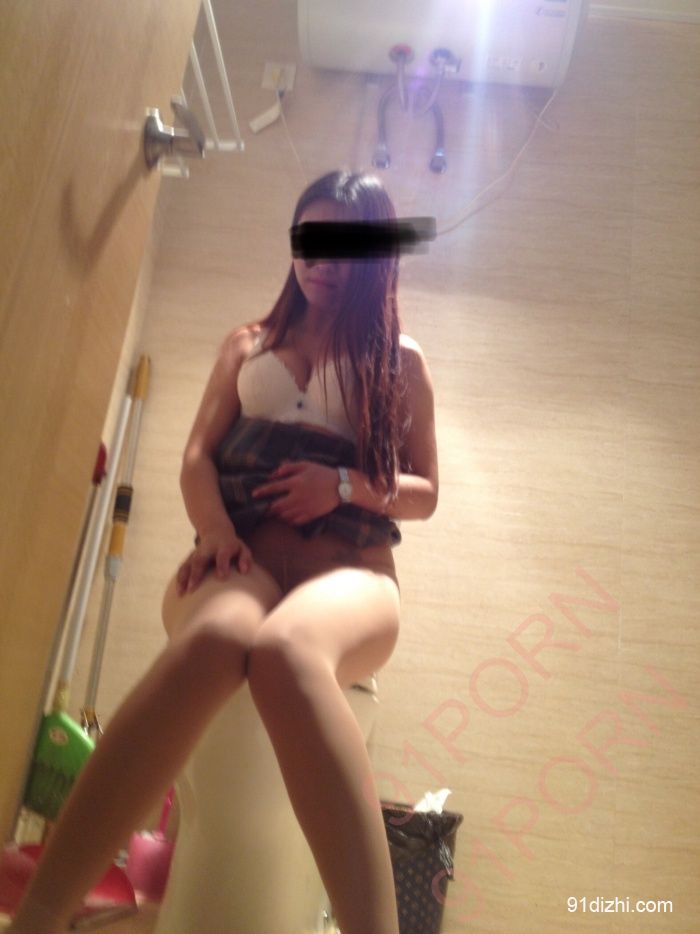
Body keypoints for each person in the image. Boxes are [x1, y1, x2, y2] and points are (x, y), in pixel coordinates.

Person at [9, 170, 438, 934]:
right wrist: (214, 532)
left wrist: (342, 485)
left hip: (353, 573)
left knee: (287, 654)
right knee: (218, 640)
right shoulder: (248, 343)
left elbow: (425, 492)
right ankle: (39, 917)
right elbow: (196, 457)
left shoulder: (399, 361)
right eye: (310, 240)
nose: (322, 262)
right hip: (244, 561)